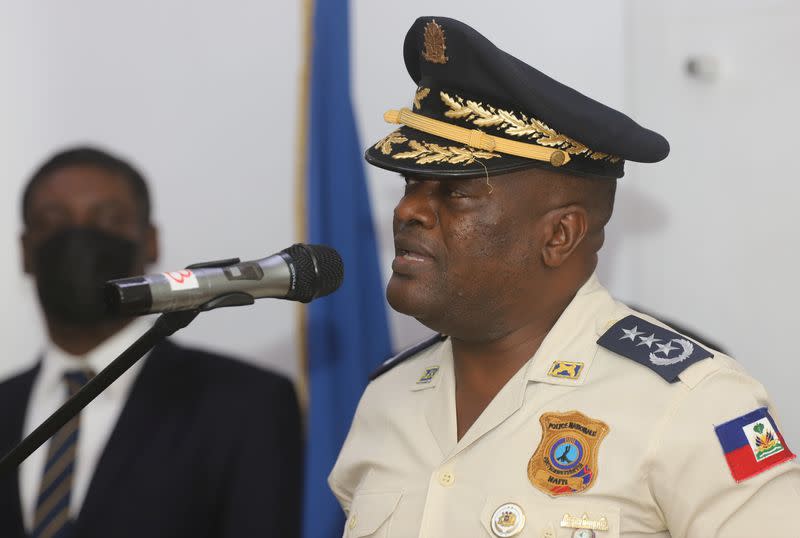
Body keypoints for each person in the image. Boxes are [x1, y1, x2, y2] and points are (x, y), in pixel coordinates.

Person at [329, 17, 800, 537]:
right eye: (411, 184)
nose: (408, 211)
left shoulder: (692, 403)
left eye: (455, 193)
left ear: (559, 235)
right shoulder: (388, 398)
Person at [0, 147, 302, 538]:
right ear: (25, 250)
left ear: (150, 241)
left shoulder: (244, 402)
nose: (79, 236)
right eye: (53, 221)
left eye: (107, 219)